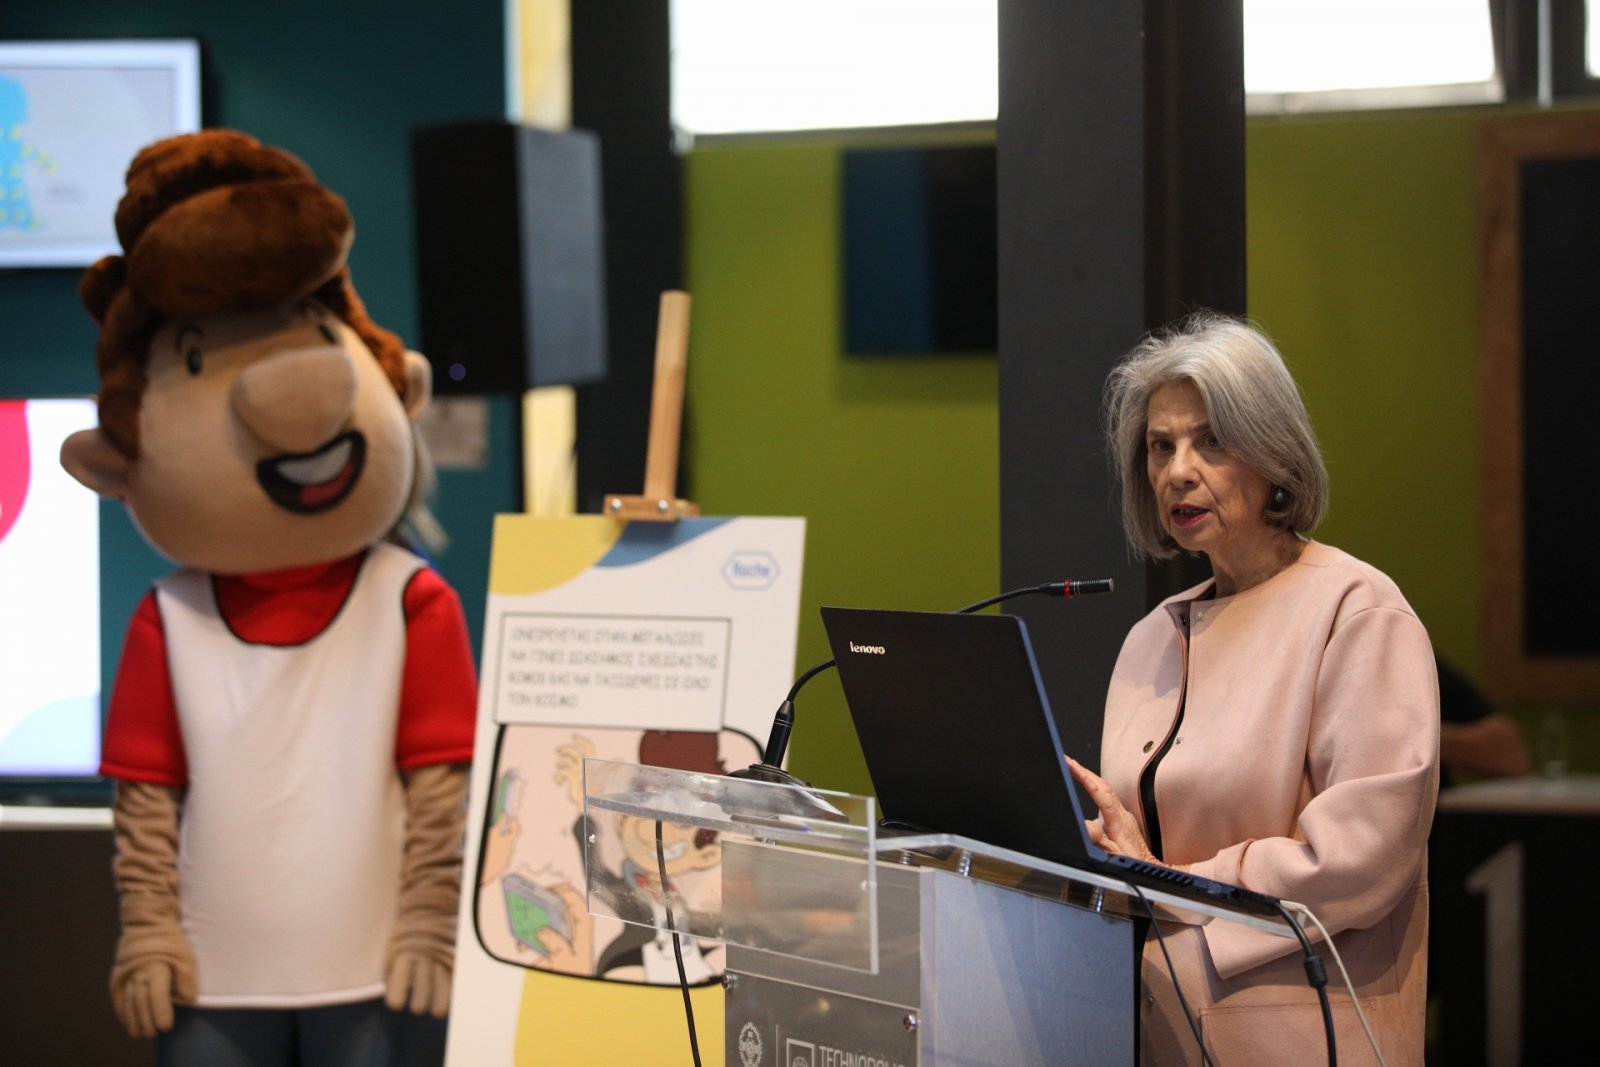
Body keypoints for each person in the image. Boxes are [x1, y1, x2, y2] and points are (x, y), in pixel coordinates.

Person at [1067, 313, 1440, 1066]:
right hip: (1158, 1033)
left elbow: (1359, 858)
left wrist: (1166, 883)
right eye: (1161, 446)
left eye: (1211, 440)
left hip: (1301, 1037)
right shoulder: (1150, 639)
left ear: (1273, 454)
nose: (1178, 471)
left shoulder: (1356, 611)